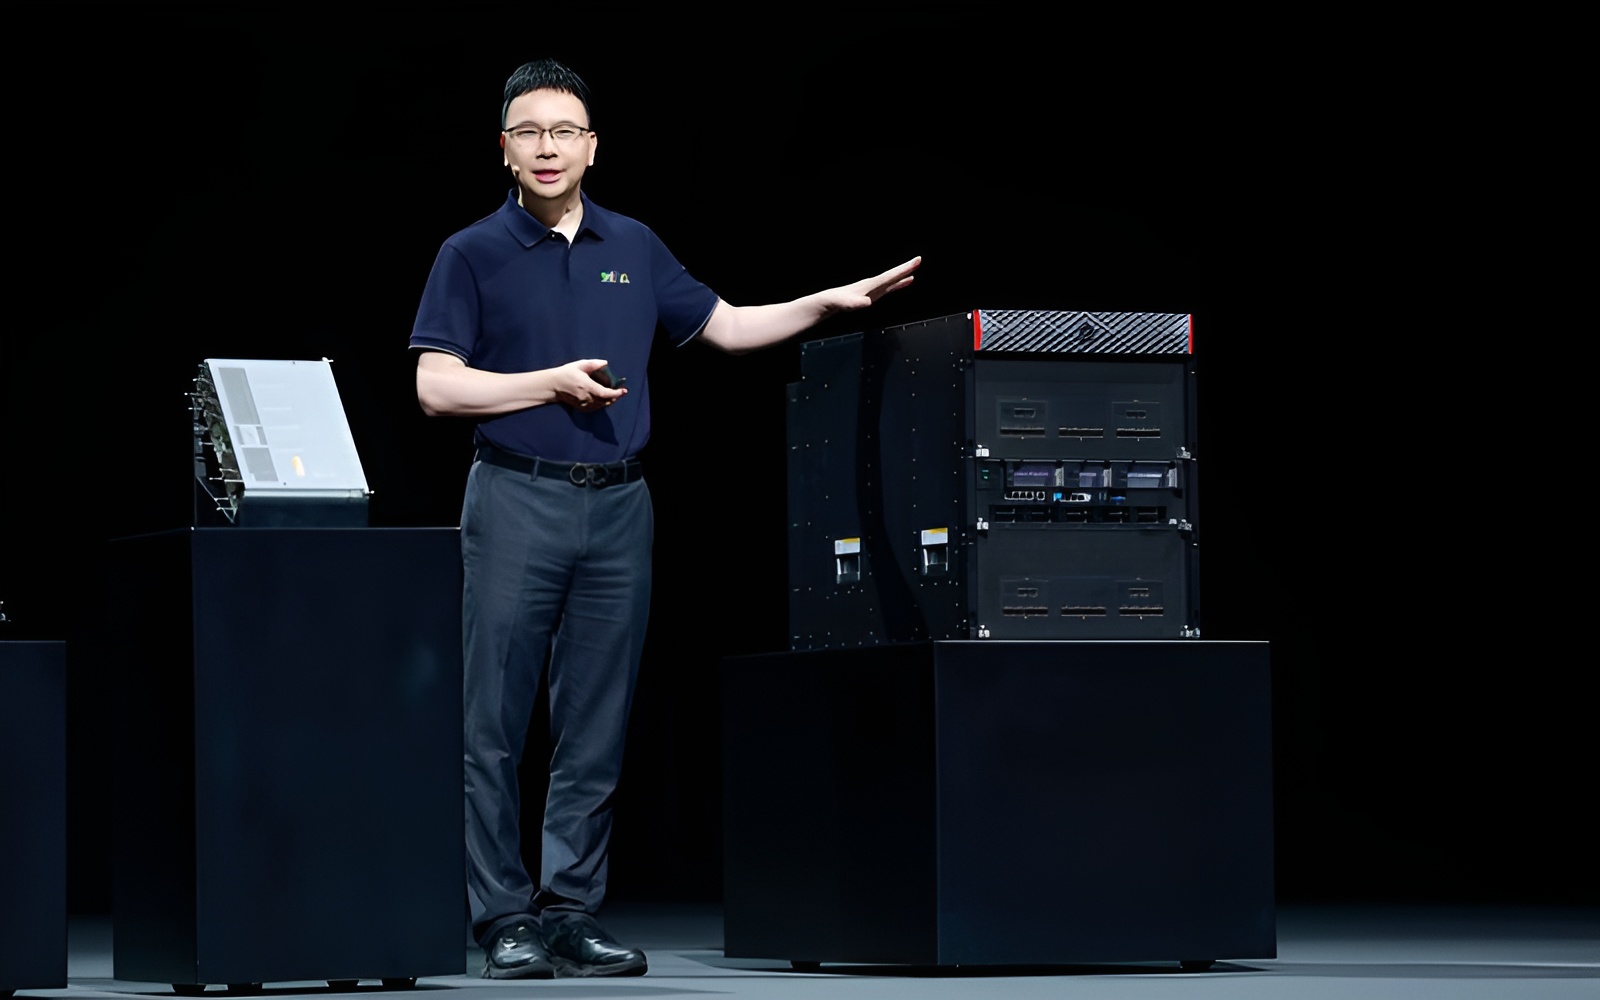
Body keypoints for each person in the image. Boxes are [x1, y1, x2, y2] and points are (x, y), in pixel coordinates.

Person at [409, 56, 920, 980]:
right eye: (529, 131)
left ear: (593, 146)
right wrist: (547, 382)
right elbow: (434, 386)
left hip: (619, 507)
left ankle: (570, 910)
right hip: (516, 492)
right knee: (495, 718)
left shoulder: (632, 244)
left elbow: (723, 326)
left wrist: (822, 303)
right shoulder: (471, 252)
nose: (548, 147)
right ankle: (503, 916)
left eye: (566, 131)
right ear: (504, 149)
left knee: (596, 722)